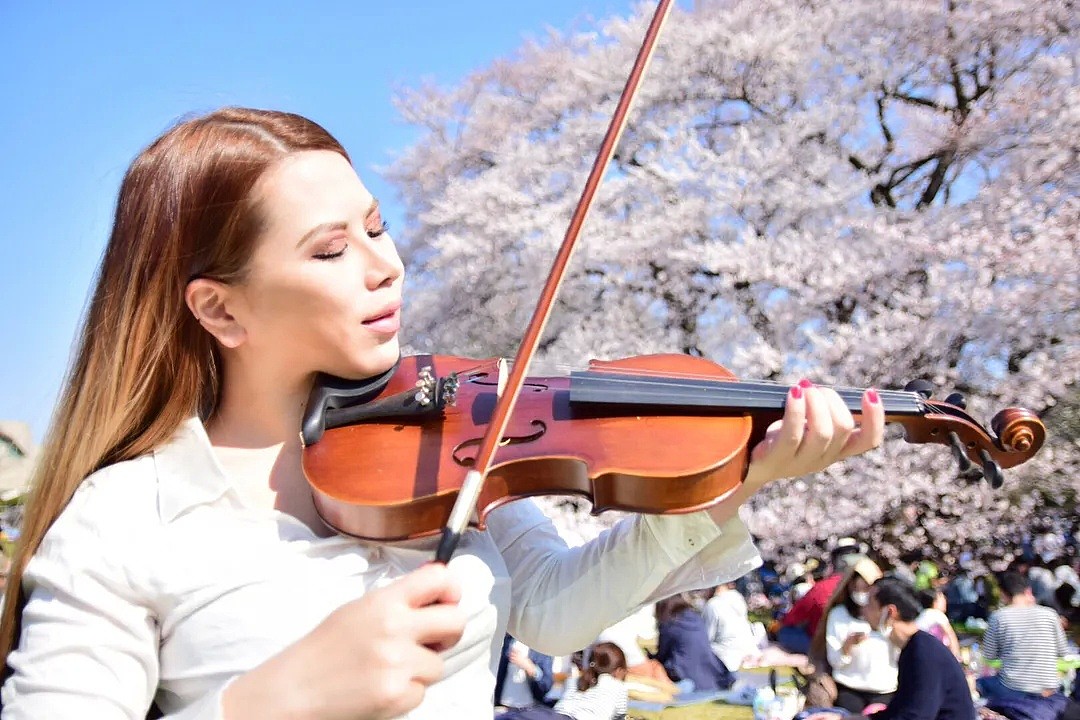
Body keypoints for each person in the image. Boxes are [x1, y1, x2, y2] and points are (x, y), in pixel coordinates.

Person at [0, 108, 886, 719]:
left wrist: (732, 482)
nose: (385, 266)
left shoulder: (446, 436)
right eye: (332, 250)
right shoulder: (122, 520)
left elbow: (552, 606)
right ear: (221, 311)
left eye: (377, 227)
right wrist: (274, 700)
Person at [860, 576, 976, 720]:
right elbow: (899, 709)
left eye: (869, 604)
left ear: (890, 612)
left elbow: (917, 715)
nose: (863, 610)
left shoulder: (924, 654)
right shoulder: (912, 649)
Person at [810, 557, 896, 711]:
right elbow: (834, 659)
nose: (861, 595)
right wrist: (847, 645)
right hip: (849, 687)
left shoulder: (888, 616)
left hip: (884, 689)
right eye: (856, 588)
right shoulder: (839, 615)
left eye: (866, 589)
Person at [976, 571, 1070, 709]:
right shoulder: (1051, 614)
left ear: (1003, 594)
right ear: (1028, 591)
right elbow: (1062, 651)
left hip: (1013, 687)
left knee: (980, 683)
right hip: (1049, 687)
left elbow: (988, 656)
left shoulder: (999, 617)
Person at [654, 593, 734, 692]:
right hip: (710, 671)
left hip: (683, 672)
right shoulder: (696, 618)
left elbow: (662, 654)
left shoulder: (670, 624)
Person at [702, 582, 759, 672]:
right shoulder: (738, 598)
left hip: (724, 658)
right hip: (746, 655)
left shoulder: (713, 605)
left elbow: (705, 638)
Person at [495, 635, 555, 712]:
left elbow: (547, 684)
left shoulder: (541, 647)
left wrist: (531, 668)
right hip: (503, 706)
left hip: (529, 708)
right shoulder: (506, 641)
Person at [915, 590, 962, 660]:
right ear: (934, 602)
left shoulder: (922, 615)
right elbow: (951, 635)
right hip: (934, 655)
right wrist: (956, 657)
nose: (945, 601)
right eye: (942, 598)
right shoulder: (937, 614)